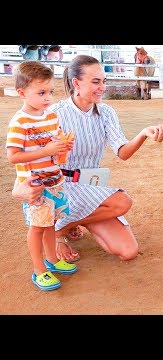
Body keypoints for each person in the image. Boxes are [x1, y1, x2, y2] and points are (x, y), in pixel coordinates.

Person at [13, 54, 163, 263]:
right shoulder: (53, 114)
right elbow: (29, 153)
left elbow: (122, 152)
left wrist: (143, 134)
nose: (102, 87)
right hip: (62, 186)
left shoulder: (106, 112)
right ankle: (60, 227)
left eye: (103, 81)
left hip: (91, 186)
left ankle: (65, 226)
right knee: (122, 201)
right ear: (76, 83)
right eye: (96, 81)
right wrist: (18, 189)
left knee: (128, 251)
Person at [6, 61, 77, 291]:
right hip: (34, 185)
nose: (48, 98)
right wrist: (46, 150)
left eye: (51, 92)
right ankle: (39, 270)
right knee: (37, 227)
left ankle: (52, 260)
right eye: (41, 92)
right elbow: (13, 156)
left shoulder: (51, 116)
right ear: (22, 93)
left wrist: (63, 146)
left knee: (51, 223)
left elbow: (55, 145)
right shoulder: (19, 122)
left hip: (54, 180)